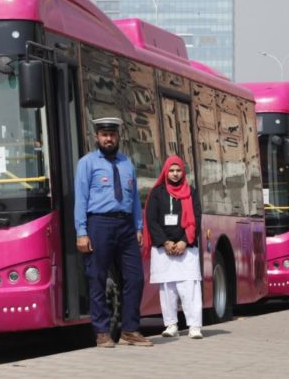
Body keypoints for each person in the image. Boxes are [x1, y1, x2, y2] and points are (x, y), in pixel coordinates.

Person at [74, 116, 152, 348]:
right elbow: (81, 199)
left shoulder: (127, 163)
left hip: (126, 225)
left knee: (135, 277)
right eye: (104, 135)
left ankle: (130, 329)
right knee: (97, 278)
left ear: (118, 136)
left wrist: (138, 227)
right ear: (97, 137)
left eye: (112, 134)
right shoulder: (87, 163)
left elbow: (135, 199)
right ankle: (102, 332)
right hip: (99, 224)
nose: (109, 139)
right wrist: (81, 231)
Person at [144, 156, 203, 339]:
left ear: (183, 172)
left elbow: (196, 218)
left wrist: (185, 241)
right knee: (168, 289)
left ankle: (194, 326)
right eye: (171, 170)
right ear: (165, 172)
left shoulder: (191, 192)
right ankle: (171, 325)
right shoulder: (157, 193)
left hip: (186, 248)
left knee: (189, 288)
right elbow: (151, 220)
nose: (175, 174)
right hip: (164, 250)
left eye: (178, 170)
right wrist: (165, 242)